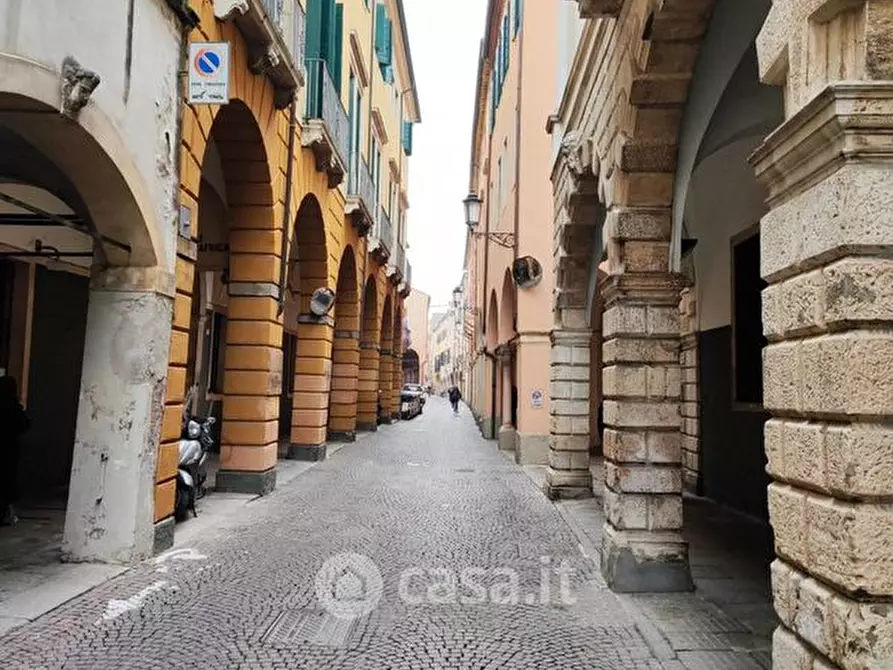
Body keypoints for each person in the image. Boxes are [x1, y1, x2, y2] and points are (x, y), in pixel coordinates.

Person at [0, 375, 29, 526]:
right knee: (7, 481)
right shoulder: (13, 407)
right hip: (10, 449)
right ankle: (5, 513)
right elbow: (24, 425)